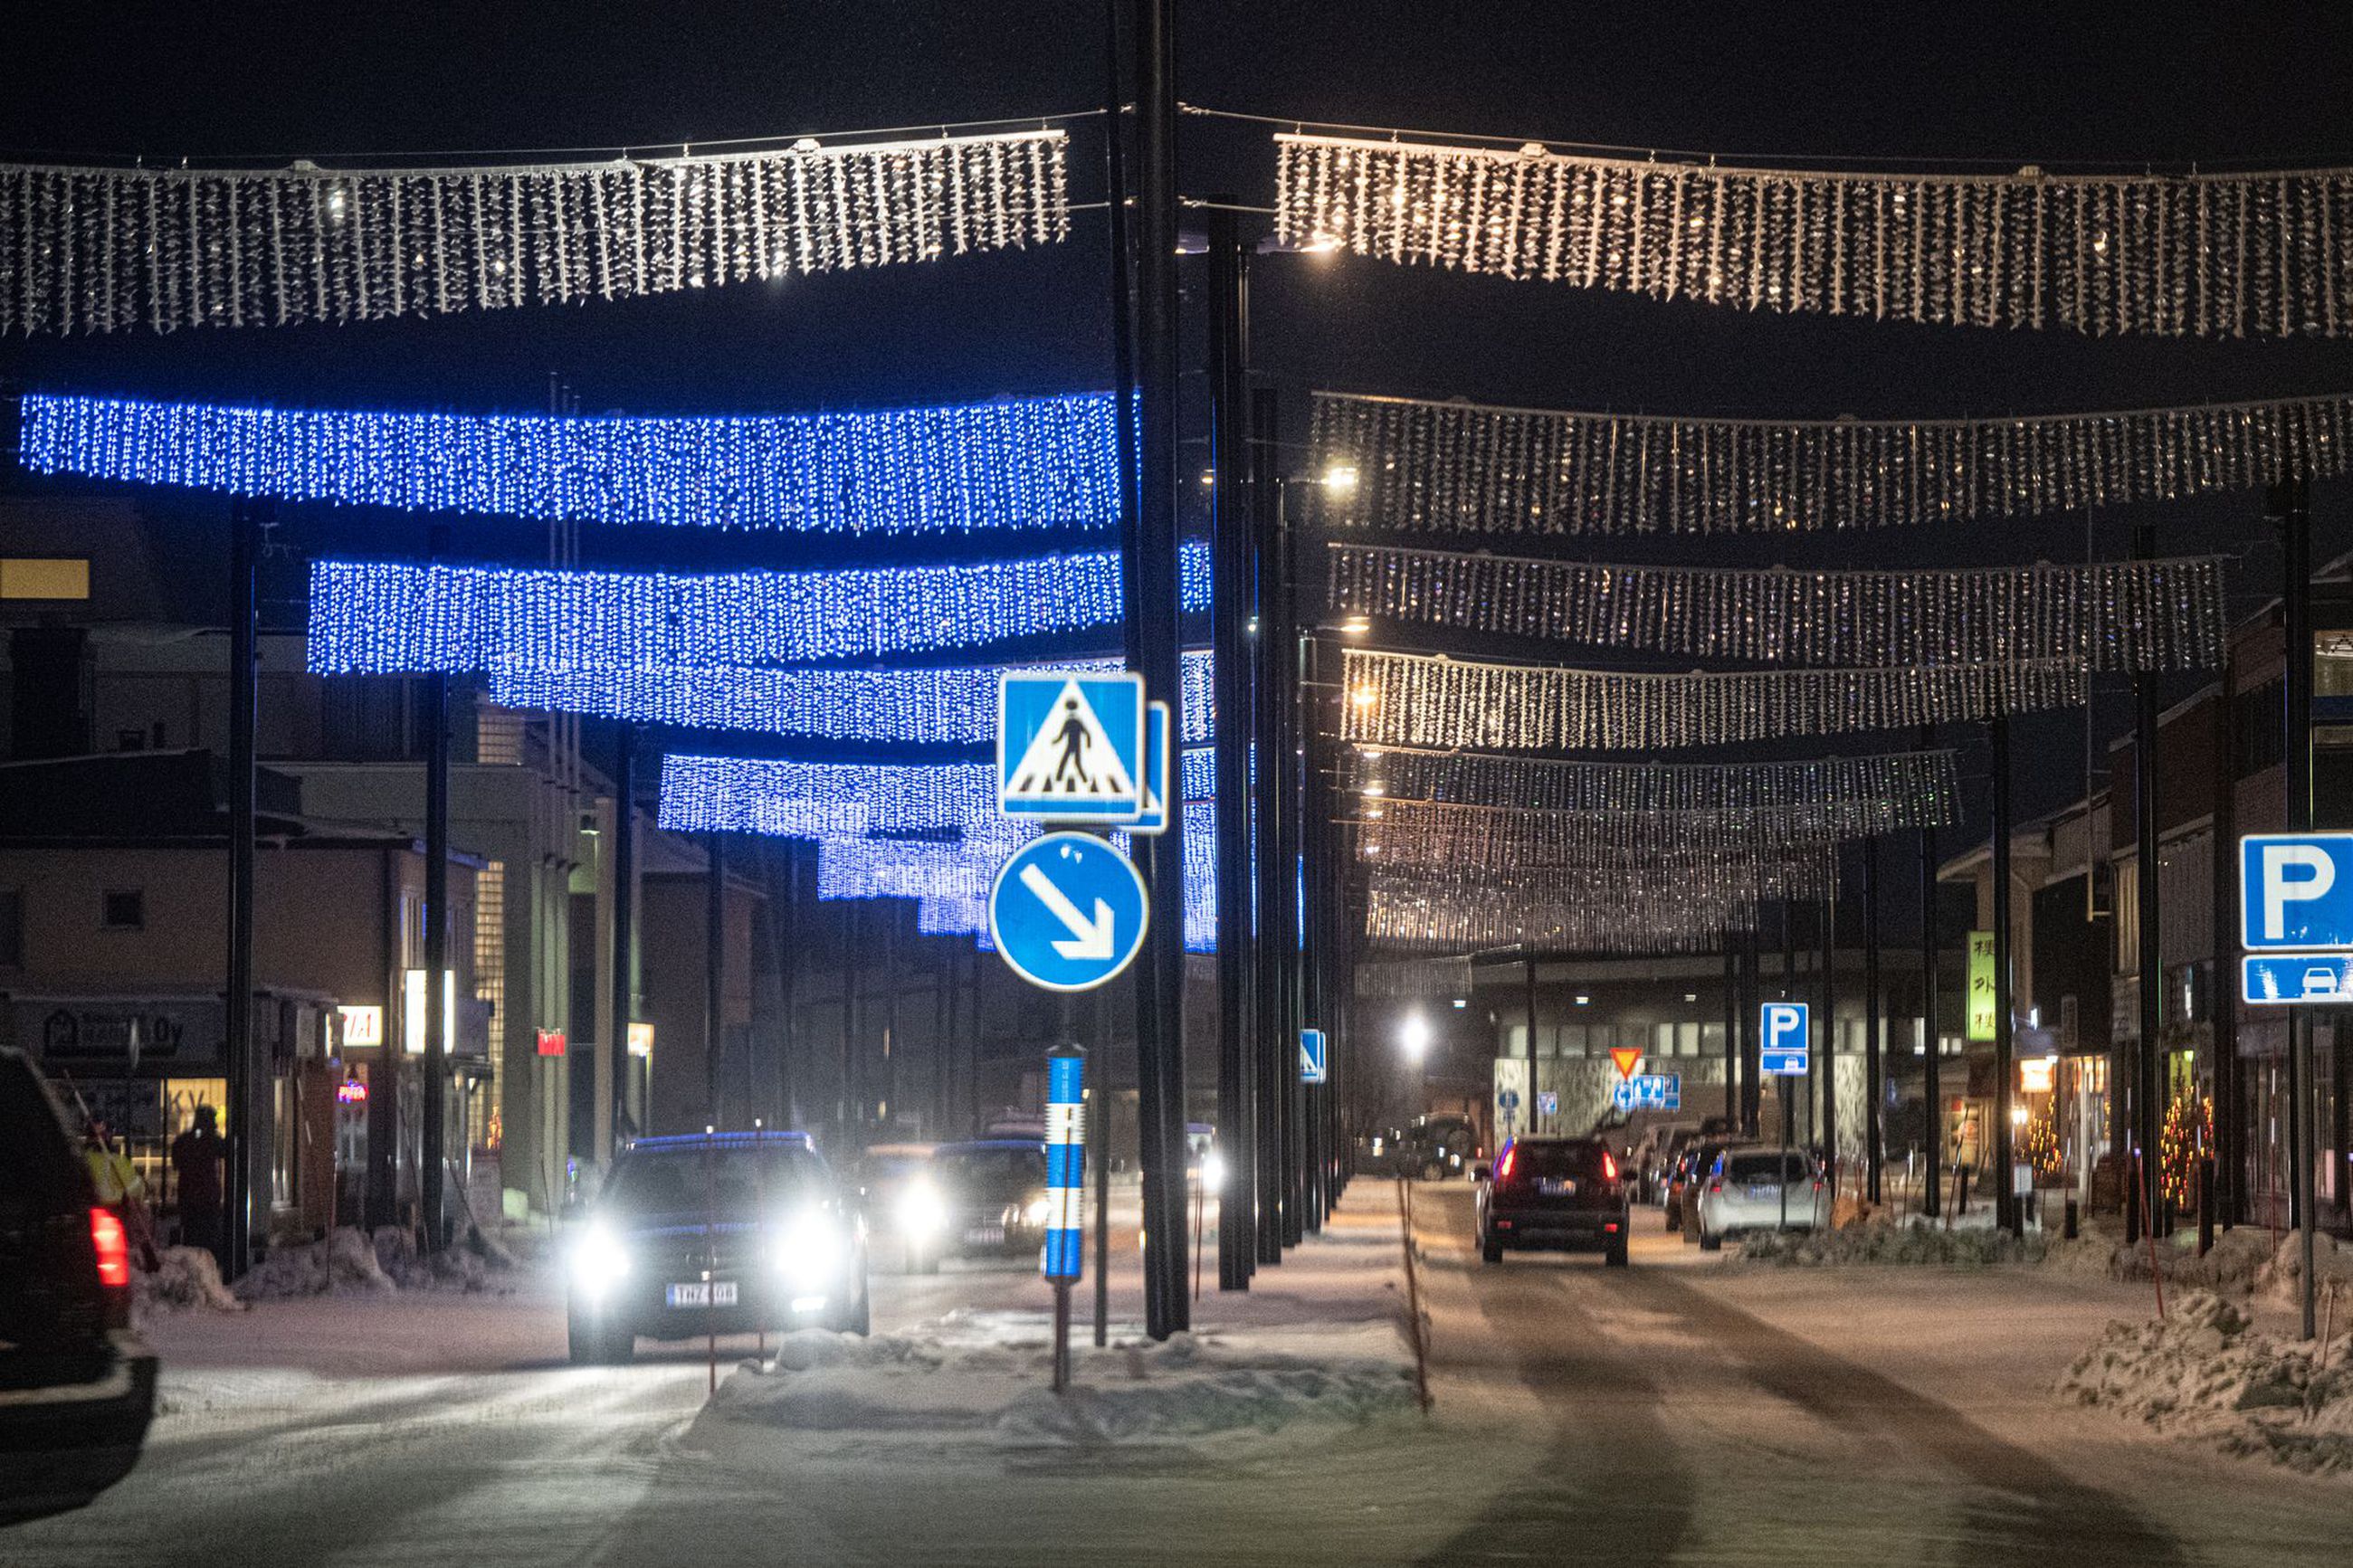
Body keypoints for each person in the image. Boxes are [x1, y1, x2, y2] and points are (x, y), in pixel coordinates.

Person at [172, 1105, 228, 1265]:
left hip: (188, 1198)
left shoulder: (184, 1141)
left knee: (192, 1237)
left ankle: (194, 1266)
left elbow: (177, 1162)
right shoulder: (212, 1141)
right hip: (207, 1199)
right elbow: (227, 1150)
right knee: (209, 1237)